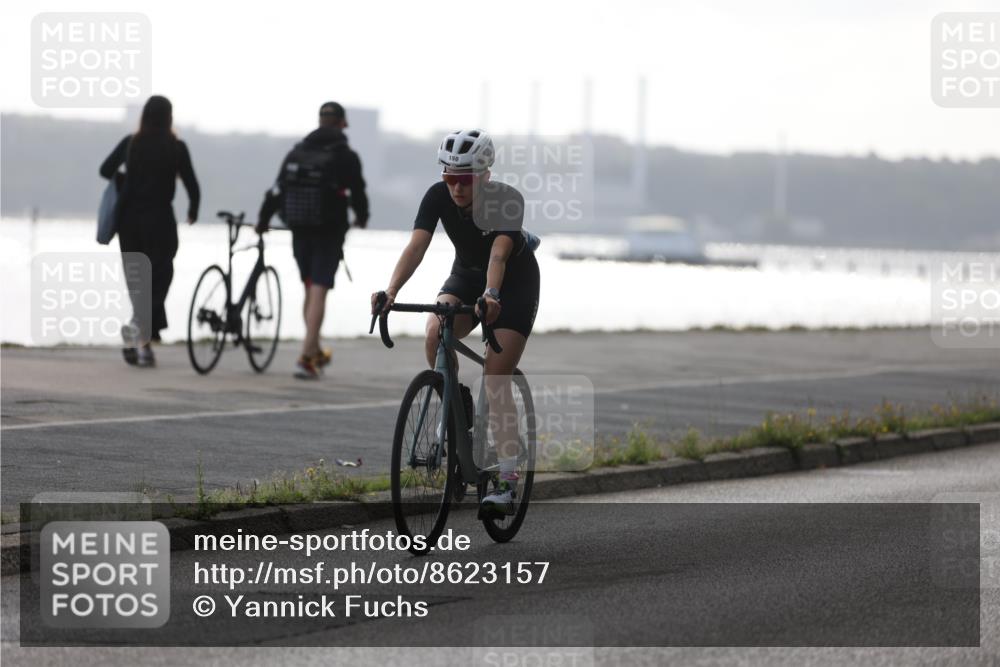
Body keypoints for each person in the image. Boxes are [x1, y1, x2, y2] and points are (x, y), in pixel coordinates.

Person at [372, 129, 540, 515]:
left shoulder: (506, 200)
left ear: (485, 176)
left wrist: (492, 295)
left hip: (513, 285)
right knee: (435, 332)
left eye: (464, 179)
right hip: (465, 275)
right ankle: (457, 404)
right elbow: (417, 246)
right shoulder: (437, 196)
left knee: (496, 378)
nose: (456, 188)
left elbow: (498, 256)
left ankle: (507, 481)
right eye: (449, 177)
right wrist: (391, 291)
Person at [257, 101, 369, 379]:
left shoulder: (297, 152)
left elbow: (277, 189)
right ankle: (306, 357)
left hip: (299, 226)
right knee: (318, 290)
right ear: (342, 124)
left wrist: (263, 219)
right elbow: (358, 191)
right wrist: (362, 216)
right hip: (329, 230)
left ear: (320, 121)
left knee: (309, 288)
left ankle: (314, 348)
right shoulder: (346, 156)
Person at [100, 95, 200, 367]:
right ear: (169, 117)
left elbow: (105, 170)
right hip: (160, 220)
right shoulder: (176, 147)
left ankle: (142, 343)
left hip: (129, 221)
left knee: (138, 282)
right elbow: (191, 184)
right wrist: (193, 210)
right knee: (160, 278)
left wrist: (126, 179)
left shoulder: (131, 143)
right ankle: (139, 334)